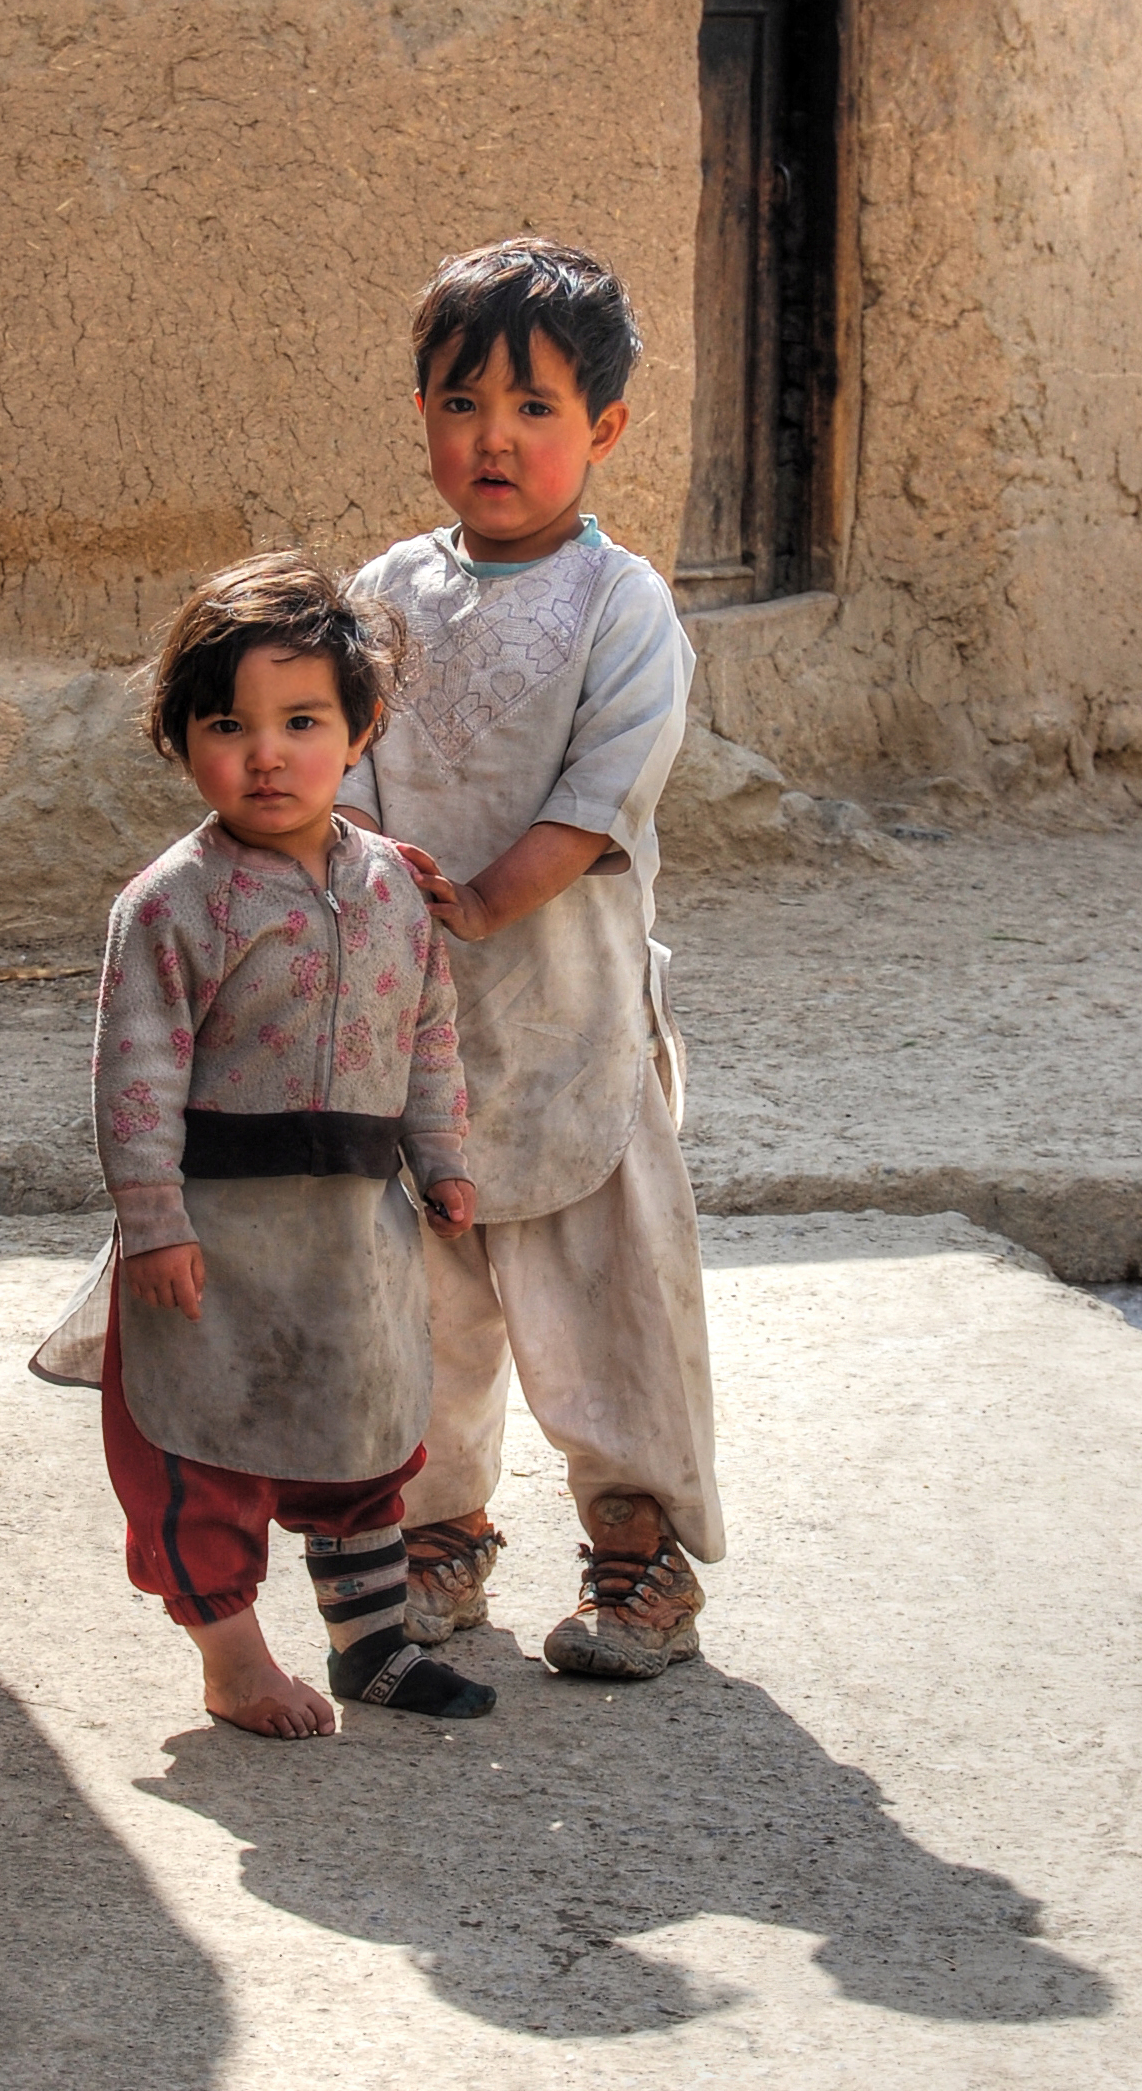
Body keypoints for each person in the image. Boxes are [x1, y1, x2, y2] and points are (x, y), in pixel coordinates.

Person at [335, 237, 724, 1680]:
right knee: (419, 1298)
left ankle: (638, 1556)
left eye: (535, 408)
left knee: (598, 1296)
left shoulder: (620, 606)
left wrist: (492, 899)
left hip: (563, 1017)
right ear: (421, 416)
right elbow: (346, 759)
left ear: (603, 429)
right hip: (411, 1015)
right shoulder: (386, 587)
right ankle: (435, 1536)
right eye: (457, 404)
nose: (490, 438)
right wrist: (368, 884)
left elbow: (602, 790)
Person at [89, 552, 496, 1738]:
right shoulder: (171, 903)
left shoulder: (390, 890)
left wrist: (445, 1155)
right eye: (228, 724)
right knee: (196, 1448)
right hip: (212, 1234)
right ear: (180, 742)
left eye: (302, 719)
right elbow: (135, 1071)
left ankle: (372, 1644)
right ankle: (231, 1659)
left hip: (350, 1230)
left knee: (359, 1428)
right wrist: (153, 1222)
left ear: (359, 727)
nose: (265, 752)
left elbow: (426, 1029)